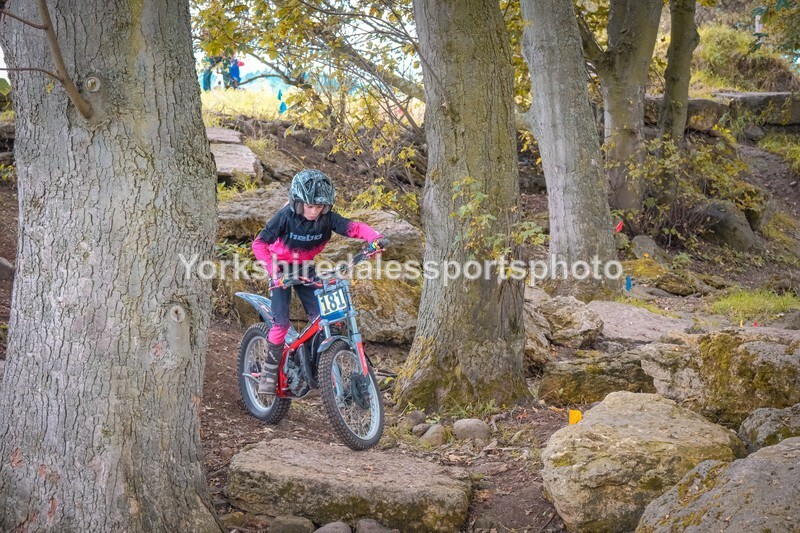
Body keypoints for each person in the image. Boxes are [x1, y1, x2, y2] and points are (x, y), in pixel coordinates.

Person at [251, 170, 386, 395]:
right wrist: (274, 273)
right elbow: (259, 244)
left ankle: (313, 371)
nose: (314, 212)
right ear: (297, 202)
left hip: (305, 268)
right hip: (280, 269)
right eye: (309, 206)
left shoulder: (328, 218)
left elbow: (353, 227)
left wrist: (374, 237)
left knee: (324, 320)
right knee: (281, 324)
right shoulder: (284, 216)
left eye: (319, 207)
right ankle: (268, 373)